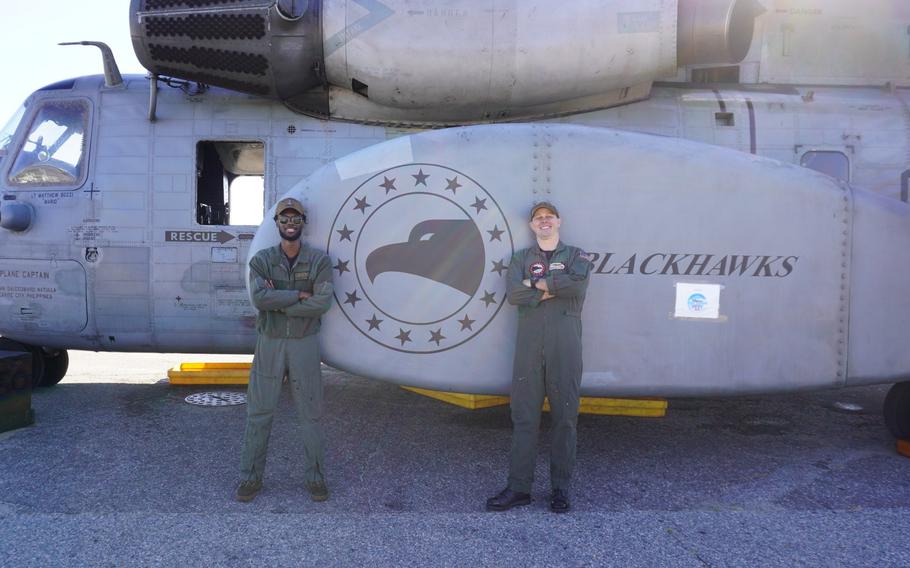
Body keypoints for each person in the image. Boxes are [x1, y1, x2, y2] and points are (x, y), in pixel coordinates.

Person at [486, 201, 592, 513]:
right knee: (524, 418)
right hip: (529, 347)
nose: (544, 221)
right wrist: (548, 288)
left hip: (565, 346)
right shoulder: (520, 258)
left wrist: (534, 284)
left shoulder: (576, 255)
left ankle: (560, 489)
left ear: (559, 221)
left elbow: (578, 285)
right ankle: (519, 488)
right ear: (532, 226)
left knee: (565, 418)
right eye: (538, 218)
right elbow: (513, 294)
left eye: (549, 217)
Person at [236, 197, 334, 503]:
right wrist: (298, 297)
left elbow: (323, 303)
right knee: (259, 413)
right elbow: (260, 299)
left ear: (303, 223)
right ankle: (251, 479)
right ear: (277, 223)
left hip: (304, 345)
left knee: (311, 414)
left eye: (296, 220)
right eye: (284, 220)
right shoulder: (262, 260)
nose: (290, 225)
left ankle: (315, 479)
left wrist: (282, 303)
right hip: (270, 343)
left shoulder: (319, 261)